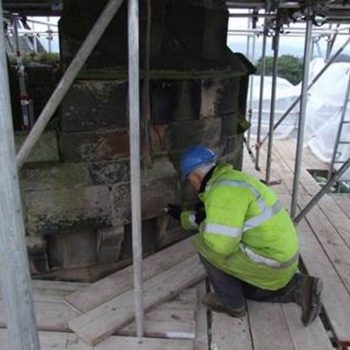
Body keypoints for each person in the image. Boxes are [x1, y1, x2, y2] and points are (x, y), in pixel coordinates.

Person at [166, 144, 323, 326]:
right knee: (245, 286)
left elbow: (222, 246)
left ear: (195, 175)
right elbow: (216, 221)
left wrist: (203, 228)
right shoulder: (233, 181)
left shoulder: (221, 193)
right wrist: (182, 217)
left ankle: (232, 304)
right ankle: (299, 286)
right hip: (284, 257)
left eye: (189, 180)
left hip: (272, 262)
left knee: (205, 245)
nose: (192, 185)